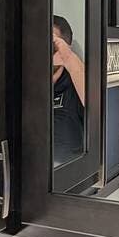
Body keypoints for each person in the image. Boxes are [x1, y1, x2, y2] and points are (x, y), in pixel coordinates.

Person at [52, 15, 85, 167]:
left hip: (69, 173)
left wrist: (68, 58)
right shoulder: (26, 83)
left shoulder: (76, 83)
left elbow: (97, 106)